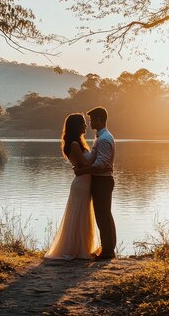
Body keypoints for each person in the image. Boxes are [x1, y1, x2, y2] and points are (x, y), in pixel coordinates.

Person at [44, 113, 101, 260]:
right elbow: (85, 164)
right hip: (81, 185)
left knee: (83, 215)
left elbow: (83, 165)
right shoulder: (75, 144)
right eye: (82, 123)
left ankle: (82, 248)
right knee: (79, 216)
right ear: (76, 126)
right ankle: (76, 249)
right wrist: (97, 151)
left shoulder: (79, 143)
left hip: (84, 183)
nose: (86, 125)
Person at [73, 106, 117, 260]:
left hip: (103, 180)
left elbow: (100, 164)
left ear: (99, 119)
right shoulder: (101, 137)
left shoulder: (104, 139)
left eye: (92, 119)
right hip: (101, 180)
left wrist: (82, 171)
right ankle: (108, 249)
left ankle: (107, 252)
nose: (90, 122)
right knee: (103, 214)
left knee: (103, 215)